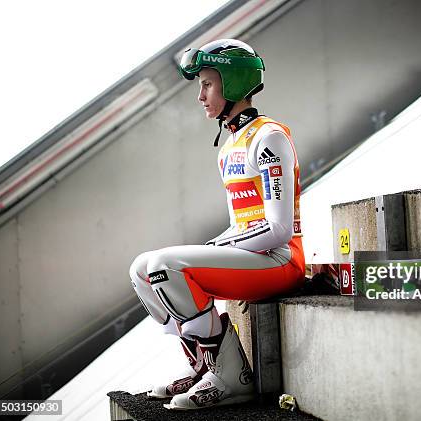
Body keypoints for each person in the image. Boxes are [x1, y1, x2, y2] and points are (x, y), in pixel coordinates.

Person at [128, 38, 305, 410]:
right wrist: (217, 245)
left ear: (234, 83)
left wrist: (216, 249)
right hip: (253, 256)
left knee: (164, 266)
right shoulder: (229, 147)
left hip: (280, 260)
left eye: (207, 84)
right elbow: (240, 223)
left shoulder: (268, 137)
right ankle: (203, 367)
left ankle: (232, 378)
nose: (200, 95)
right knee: (143, 269)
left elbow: (280, 230)